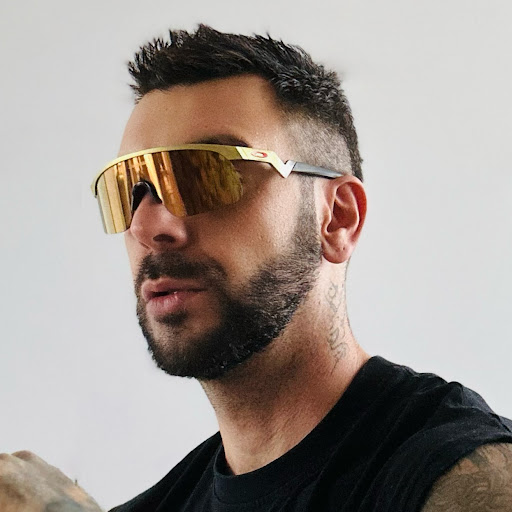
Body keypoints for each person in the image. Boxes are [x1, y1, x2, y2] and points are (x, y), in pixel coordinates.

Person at [1, 25, 511, 512]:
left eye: (205, 175)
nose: (146, 226)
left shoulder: (458, 475)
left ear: (337, 218)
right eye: (126, 192)